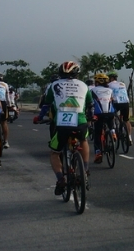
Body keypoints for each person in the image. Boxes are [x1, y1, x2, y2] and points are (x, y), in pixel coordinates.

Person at [34, 61, 94, 197]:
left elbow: (46, 105)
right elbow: (90, 105)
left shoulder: (53, 85)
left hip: (61, 125)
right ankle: (84, 170)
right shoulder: (84, 85)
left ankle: (61, 179)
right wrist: (90, 117)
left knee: (55, 153)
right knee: (83, 140)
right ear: (77, 73)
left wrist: (39, 117)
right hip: (80, 122)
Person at [88, 72, 117, 164]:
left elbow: (89, 103)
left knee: (97, 134)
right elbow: (114, 101)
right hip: (110, 113)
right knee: (110, 119)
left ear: (96, 82)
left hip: (98, 114)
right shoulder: (110, 90)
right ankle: (113, 132)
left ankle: (98, 153)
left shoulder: (92, 90)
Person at [107, 72, 132, 143]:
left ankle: (114, 127)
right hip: (126, 102)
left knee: (111, 115)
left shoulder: (109, 85)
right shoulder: (122, 84)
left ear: (111, 78)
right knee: (126, 120)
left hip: (116, 103)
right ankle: (129, 137)